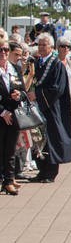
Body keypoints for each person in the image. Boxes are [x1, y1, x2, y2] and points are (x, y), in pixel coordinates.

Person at [27, 33, 71, 183]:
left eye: (44, 45)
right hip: (38, 108)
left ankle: (50, 173)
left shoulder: (56, 64)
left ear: (51, 47)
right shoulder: (37, 63)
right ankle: (41, 169)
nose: (41, 47)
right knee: (39, 139)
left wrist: (38, 95)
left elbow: (56, 89)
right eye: (39, 44)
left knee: (52, 139)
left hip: (52, 108)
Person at [0, 38, 24, 195]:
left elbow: (22, 89)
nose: (3, 53)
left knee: (10, 150)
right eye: (0, 50)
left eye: (6, 50)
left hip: (14, 114)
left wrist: (19, 95)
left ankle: (8, 181)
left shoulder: (14, 68)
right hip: (1, 114)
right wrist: (2, 112)